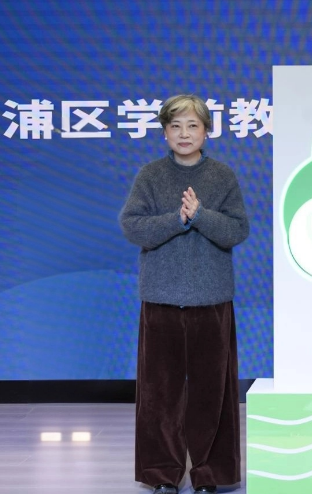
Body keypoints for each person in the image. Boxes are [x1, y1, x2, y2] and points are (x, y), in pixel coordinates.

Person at [120, 94, 250, 494]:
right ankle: (162, 475)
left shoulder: (222, 176)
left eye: (193, 125)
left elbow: (237, 230)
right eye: (175, 126)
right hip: (161, 298)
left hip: (212, 300)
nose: (184, 133)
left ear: (206, 131)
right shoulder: (150, 175)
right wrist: (178, 219)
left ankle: (212, 475)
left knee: (213, 393)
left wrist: (201, 215)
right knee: (160, 395)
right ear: (164, 132)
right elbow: (132, 226)